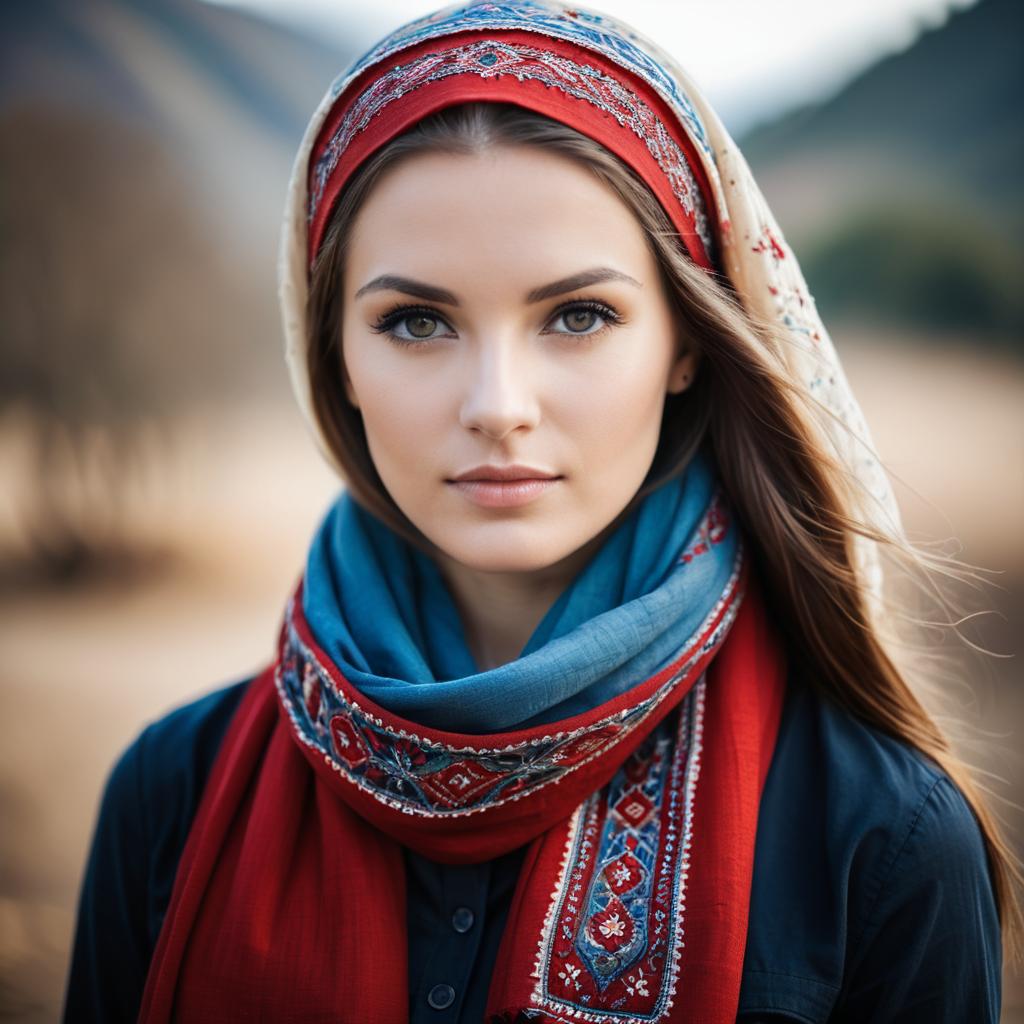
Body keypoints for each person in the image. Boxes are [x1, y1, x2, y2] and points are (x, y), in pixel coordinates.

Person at [63, 1, 1019, 1021]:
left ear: (686, 343)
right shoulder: (172, 792)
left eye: (578, 315)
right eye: (416, 321)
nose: (496, 407)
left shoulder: (883, 836)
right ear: (333, 355)